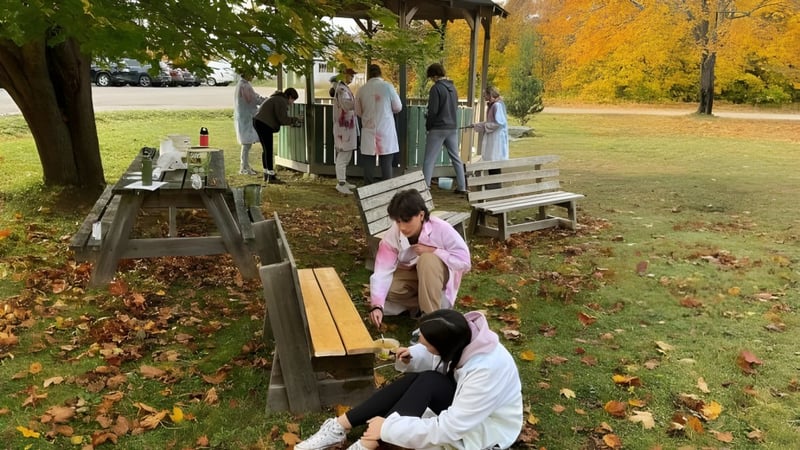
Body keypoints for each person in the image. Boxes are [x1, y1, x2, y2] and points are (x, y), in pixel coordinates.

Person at [295, 309, 523, 450]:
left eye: (425, 345)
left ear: (445, 348)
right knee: (426, 379)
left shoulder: (486, 371)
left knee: (427, 382)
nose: (421, 346)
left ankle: (368, 443)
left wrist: (388, 428)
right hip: (466, 404)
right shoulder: (462, 335)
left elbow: (449, 429)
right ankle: (339, 427)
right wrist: (413, 356)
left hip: (486, 428)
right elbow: (443, 361)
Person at [367, 189, 470, 329]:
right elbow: (382, 271)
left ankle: (430, 323)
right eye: (398, 221)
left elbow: (464, 262)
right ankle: (423, 305)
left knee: (427, 259)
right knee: (388, 290)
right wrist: (377, 305)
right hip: (413, 275)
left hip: (439, 276)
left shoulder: (441, 228)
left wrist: (434, 251)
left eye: (407, 220)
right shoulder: (393, 235)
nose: (402, 227)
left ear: (421, 215)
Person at [422, 63, 467, 195]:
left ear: (435, 75)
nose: (431, 79)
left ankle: (426, 187)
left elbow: (433, 110)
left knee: (429, 159)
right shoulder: (453, 88)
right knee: (456, 158)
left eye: (431, 77)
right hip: (452, 127)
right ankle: (462, 186)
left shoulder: (436, 89)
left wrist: (428, 126)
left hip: (438, 128)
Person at [355, 64, 402, 184]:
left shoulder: (361, 89)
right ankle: (387, 188)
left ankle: (368, 188)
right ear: (380, 73)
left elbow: (358, 111)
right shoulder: (387, 87)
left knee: (368, 163)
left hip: (368, 128)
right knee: (386, 162)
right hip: (385, 129)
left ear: (368, 75)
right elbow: (398, 107)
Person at [253, 88, 301, 184]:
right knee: (268, 149)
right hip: (264, 124)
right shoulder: (281, 101)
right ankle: (271, 176)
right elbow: (282, 119)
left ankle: (266, 173)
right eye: (293, 100)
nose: (292, 103)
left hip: (258, 121)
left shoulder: (277, 98)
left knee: (266, 149)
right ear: (290, 97)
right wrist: (295, 120)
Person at [331, 67, 359, 194]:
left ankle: (343, 180)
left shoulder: (342, 88)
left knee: (346, 154)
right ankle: (340, 182)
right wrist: (359, 102)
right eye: (350, 75)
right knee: (343, 155)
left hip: (346, 126)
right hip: (344, 128)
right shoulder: (341, 89)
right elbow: (347, 105)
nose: (352, 78)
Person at [233, 71, 265, 175]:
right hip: (246, 117)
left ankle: (245, 166)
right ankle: (243, 167)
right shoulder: (244, 86)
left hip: (244, 116)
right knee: (246, 143)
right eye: (251, 74)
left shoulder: (242, 84)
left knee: (247, 143)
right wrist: (266, 101)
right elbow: (254, 99)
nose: (253, 75)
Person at [472, 86, 509, 162]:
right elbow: (490, 121)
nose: (483, 96)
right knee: (491, 159)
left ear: (490, 94)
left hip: (496, 137)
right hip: (493, 136)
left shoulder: (497, 105)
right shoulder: (492, 105)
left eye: (485, 94)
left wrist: (485, 126)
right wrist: (476, 125)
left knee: (495, 160)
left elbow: (499, 123)